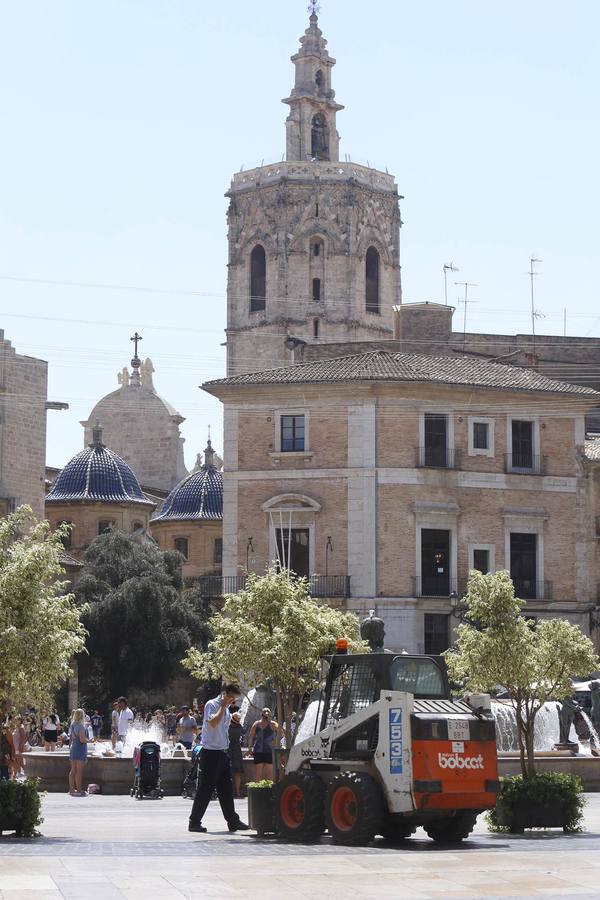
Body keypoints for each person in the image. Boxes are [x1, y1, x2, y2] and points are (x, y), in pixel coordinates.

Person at [188, 683, 249, 834]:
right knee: (205, 789)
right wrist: (222, 707)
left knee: (226, 789)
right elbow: (213, 723)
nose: (232, 701)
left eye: (234, 699)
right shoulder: (212, 705)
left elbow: (223, 729)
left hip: (222, 752)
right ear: (224, 694)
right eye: (231, 698)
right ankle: (194, 822)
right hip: (210, 753)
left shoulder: (227, 709)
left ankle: (233, 821)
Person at [247, 707, 279, 781]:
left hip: (261, 750)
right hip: (266, 751)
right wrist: (276, 741)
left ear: (261, 714)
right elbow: (282, 734)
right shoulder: (273, 724)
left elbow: (250, 737)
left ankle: (259, 790)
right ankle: (268, 790)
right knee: (268, 773)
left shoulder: (258, 723)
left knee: (259, 773)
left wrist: (249, 748)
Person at [68, 708, 89, 796]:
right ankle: (79, 790)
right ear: (82, 716)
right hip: (80, 748)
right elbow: (82, 740)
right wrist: (89, 740)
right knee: (79, 771)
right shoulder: (80, 726)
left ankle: (71, 789)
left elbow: (72, 737)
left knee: (73, 770)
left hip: (74, 747)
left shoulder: (73, 724)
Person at [228, 709, 245, 798]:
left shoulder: (227, 727)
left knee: (228, 772)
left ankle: (229, 791)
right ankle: (237, 792)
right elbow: (244, 732)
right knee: (237, 772)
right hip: (237, 750)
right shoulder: (239, 727)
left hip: (228, 749)